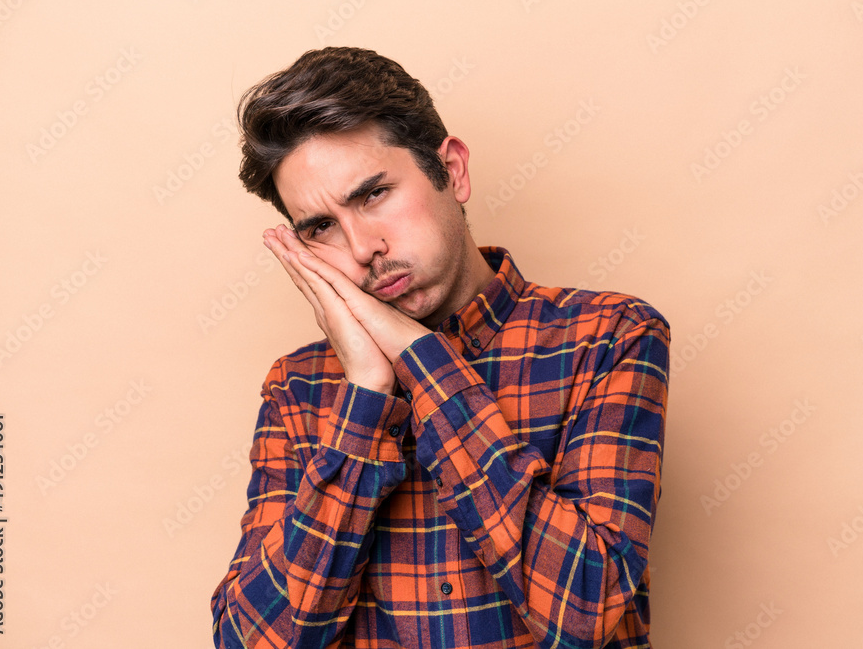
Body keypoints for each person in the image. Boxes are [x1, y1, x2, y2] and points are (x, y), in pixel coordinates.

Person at [211, 46, 670, 649]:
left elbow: (589, 607)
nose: (362, 247)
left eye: (373, 194)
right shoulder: (299, 389)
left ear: (451, 169)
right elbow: (252, 642)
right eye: (320, 227)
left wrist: (419, 359)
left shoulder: (609, 336)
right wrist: (366, 398)